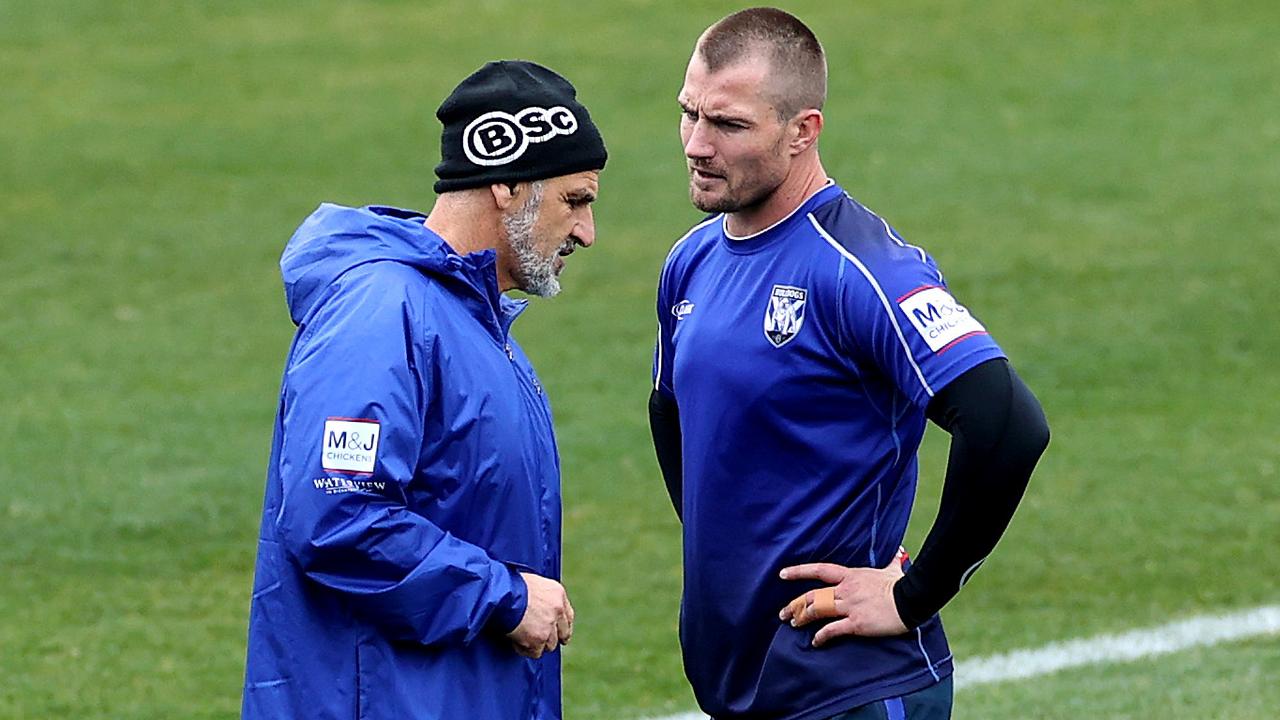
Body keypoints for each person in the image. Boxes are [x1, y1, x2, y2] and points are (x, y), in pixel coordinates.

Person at [649, 8, 1049, 719]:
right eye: (689, 115)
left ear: (803, 131)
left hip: (850, 686)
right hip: (740, 678)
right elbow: (671, 414)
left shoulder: (863, 269)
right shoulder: (692, 261)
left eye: (729, 126)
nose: (697, 145)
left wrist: (915, 592)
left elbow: (1008, 422)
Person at [241, 60, 606, 720]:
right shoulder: (382, 315)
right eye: (574, 200)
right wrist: (507, 598)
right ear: (506, 181)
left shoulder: (473, 325)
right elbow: (337, 515)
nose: (585, 232)